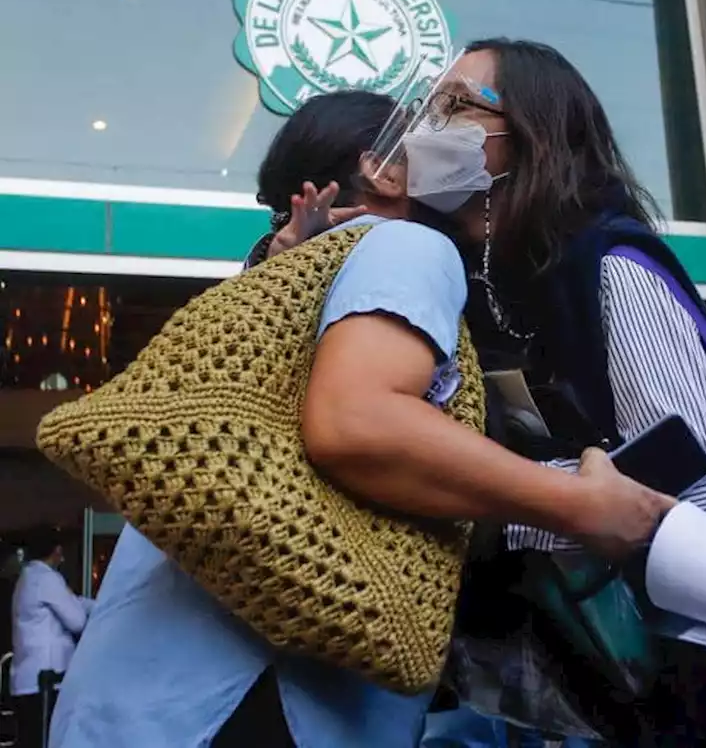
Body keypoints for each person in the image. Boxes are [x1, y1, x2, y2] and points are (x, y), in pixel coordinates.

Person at [270, 40, 706, 745]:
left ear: (532, 135)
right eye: (425, 104)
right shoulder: (472, 279)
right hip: (599, 662)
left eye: (454, 104)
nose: (426, 123)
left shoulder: (611, 266)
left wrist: (514, 504)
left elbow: (698, 484)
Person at [50, 90, 672, 748]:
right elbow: (360, 423)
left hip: (145, 698)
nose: (451, 136)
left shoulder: (288, 277)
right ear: (384, 168)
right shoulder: (404, 245)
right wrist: (579, 505)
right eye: (432, 125)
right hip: (264, 699)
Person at [11, 527, 88, 748]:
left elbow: (75, 602)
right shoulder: (47, 578)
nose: (62, 558)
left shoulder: (27, 578)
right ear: (55, 550)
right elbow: (77, 620)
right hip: (45, 681)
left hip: (25, 680)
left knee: (31, 739)